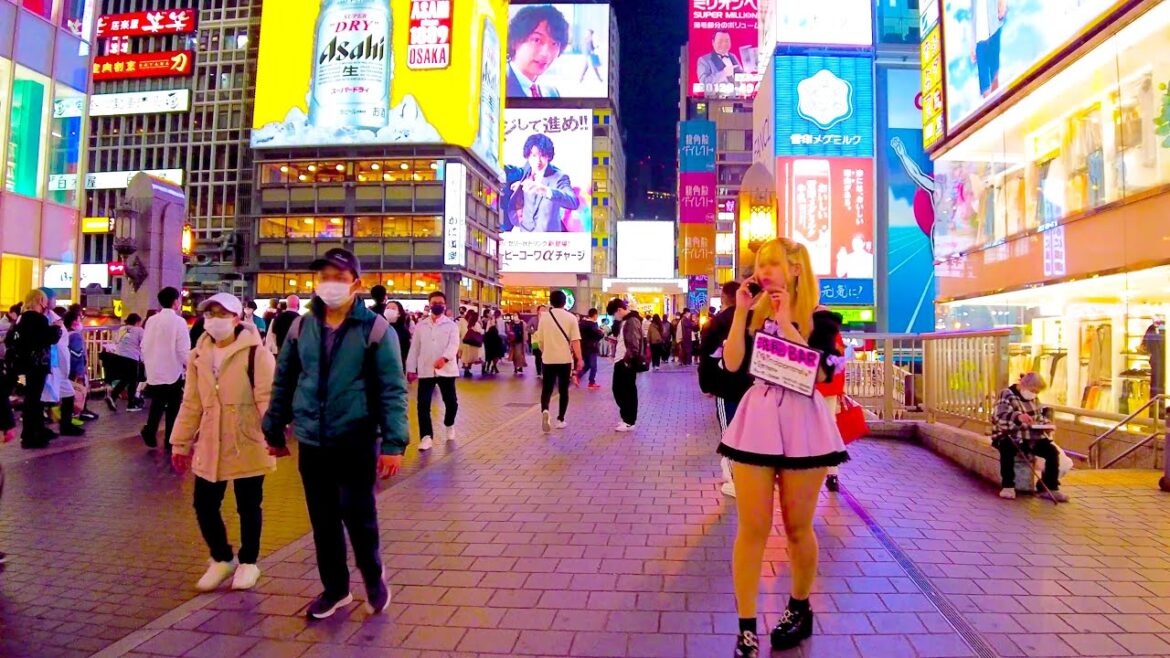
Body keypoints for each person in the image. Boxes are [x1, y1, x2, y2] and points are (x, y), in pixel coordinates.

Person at [718, 239, 848, 656]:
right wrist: (741, 311)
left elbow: (824, 371)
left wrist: (790, 321)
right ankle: (745, 626)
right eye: (760, 265)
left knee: (796, 528)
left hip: (803, 424)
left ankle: (799, 606)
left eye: (773, 263)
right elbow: (733, 364)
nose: (763, 272)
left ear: (795, 269)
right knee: (752, 528)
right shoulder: (753, 316)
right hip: (758, 421)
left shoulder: (821, 319)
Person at [262, 248, 408, 620]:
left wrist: (393, 443)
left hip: (356, 438)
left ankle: (373, 577)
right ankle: (336, 589)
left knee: (358, 516)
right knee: (322, 521)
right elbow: (284, 380)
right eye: (324, 276)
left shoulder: (376, 329)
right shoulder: (300, 326)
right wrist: (274, 428)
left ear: (355, 284)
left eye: (339, 278)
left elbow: (393, 388)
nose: (330, 284)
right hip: (312, 440)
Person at [170, 293, 277, 592]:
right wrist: (180, 443)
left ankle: (249, 562)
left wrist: (273, 436)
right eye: (209, 314)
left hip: (247, 438)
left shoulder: (257, 354)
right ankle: (220, 557)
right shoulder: (198, 356)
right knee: (204, 503)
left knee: (248, 504)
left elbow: (267, 399)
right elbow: (191, 402)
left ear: (236, 318)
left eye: (221, 313)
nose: (214, 320)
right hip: (210, 439)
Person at [699, 281, 754, 498]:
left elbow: (706, 358)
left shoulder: (716, 323)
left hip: (726, 386)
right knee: (747, 432)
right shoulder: (755, 320)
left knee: (729, 433)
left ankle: (734, 480)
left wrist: (706, 385)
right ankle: (740, 474)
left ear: (724, 297)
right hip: (752, 388)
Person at [993, 372, 1067, 502]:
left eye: (1037, 392)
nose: (1034, 394)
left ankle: (1050, 487)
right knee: (1007, 449)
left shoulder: (1034, 399)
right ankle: (1008, 486)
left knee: (1051, 452)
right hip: (1010, 434)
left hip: (1031, 436)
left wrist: (1046, 424)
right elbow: (999, 417)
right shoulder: (1006, 394)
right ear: (1024, 385)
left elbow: (1038, 417)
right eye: (1033, 390)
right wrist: (1017, 417)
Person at [406, 290, 460, 452]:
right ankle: (426, 436)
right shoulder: (421, 326)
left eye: (440, 303)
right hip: (426, 370)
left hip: (446, 370)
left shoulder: (451, 325)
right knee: (422, 404)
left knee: (451, 403)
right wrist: (411, 368)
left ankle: (449, 424)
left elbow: (454, 345)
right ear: (429, 305)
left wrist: (444, 358)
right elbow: (414, 348)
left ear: (445, 305)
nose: (437, 306)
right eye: (434, 303)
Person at [7, 290, 61, 448]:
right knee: (34, 399)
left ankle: (33, 431)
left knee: (30, 398)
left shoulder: (21, 319)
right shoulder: (39, 319)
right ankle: (32, 435)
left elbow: (11, 340)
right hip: (36, 366)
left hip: (21, 367)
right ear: (40, 301)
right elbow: (46, 339)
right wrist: (55, 329)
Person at [141, 287, 191, 451]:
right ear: (176, 301)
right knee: (174, 405)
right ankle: (170, 439)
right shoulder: (179, 322)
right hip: (172, 369)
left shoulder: (151, 320)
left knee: (158, 401)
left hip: (154, 368)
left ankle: (150, 429)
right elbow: (183, 349)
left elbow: (145, 344)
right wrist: (189, 365)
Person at [509, 133, 580, 233]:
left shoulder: (559, 177)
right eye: (534, 155)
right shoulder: (526, 170)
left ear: (548, 156)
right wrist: (520, 186)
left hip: (548, 240)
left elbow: (573, 202)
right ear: (528, 156)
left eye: (542, 156)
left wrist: (546, 191)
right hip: (524, 237)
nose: (537, 161)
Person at [533, 290, 581, 432]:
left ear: (551, 302)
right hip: (564, 359)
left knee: (547, 389)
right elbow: (575, 341)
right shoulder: (571, 318)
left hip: (548, 359)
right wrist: (579, 358)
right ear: (564, 302)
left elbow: (540, 340)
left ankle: (545, 410)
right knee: (563, 390)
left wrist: (545, 351)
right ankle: (560, 419)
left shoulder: (544, 318)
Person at [506, 4, 569, 98]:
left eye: (554, 44)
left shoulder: (552, 93)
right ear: (515, 42)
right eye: (537, 40)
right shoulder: (497, 86)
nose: (546, 53)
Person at [607, 298, 643, 432]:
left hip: (625, 361)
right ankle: (626, 418)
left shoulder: (632, 320)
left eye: (614, 314)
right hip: (621, 360)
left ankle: (629, 420)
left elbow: (634, 342)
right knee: (620, 389)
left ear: (619, 310)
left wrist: (627, 360)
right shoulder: (626, 321)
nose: (614, 317)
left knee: (626, 390)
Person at [103, 314, 146, 411]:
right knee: (133, 380)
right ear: (137, 322)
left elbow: (116, 341)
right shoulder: (139, 330)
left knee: (126, 379)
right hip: (132, 358)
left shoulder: (121, 329)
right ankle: (131, 404)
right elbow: (144, 344)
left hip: (118, 357)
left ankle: (113, 397)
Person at [64, 310, 99, 424]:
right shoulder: (75, 336)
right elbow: (77, 355)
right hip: (76, 370)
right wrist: (80, 372)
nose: (81, 322)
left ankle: (76, 413)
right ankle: (79, 412)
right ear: (74, 322)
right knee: (79, 392)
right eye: (79, 319)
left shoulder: (66, 334)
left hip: (68, 369)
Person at [970, 0, 1006, 98]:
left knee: (995, 73)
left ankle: (998, 104)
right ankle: (991, 110)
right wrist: (972, 44)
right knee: (984, 84)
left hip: (993, 29)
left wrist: (1002, 3)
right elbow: (973, 15)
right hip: (979, 40)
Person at [578, 308, 605, 390]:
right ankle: (591, 382)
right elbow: (597, 335)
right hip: (592, 347)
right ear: (595, 315)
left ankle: (578, 376)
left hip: (584, 346)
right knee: (593, 366)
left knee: (587, 364)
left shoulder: (582, 323)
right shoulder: (592, 324)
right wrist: (601, 333)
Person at [386, 301, 412, 368]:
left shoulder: (404, 332)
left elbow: (406, 352)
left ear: (399, 313)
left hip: (397, 366)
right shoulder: (379, 328)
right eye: (387, 308)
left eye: (393, 308)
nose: (389, 310)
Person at [529, 305, 546, 378]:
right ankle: (538, 372)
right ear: (538, 311)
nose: (543, 311)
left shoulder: (548, 319)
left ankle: (544, 371)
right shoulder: (533, 319)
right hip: (535, 340)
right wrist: (533, 332)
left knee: (544, 356)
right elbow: (527, 327)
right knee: (537, 356)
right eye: (541, 310)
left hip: (545, 339)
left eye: (544, 310)